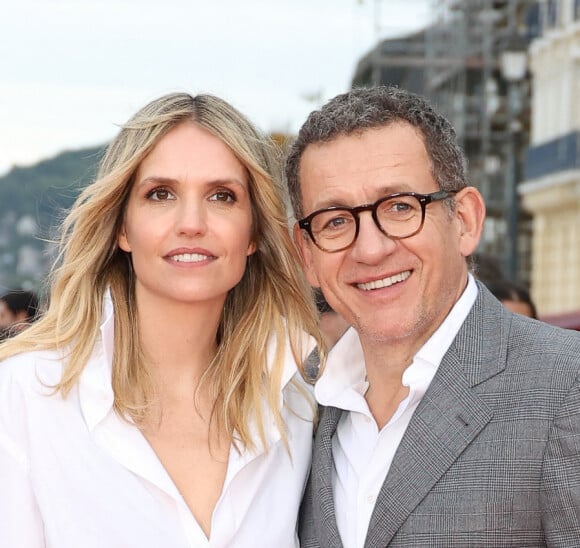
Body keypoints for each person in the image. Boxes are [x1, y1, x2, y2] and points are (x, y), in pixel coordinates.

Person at [0, 92, 323, 548]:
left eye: (222, 196)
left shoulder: (292, 408)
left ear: (253, 232)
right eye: (161, 194)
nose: (191, 222)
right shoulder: (24, 397)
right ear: (123, 228)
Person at [284, 85, 580, 547]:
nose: (371, 248)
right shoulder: (296, 405)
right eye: (336, 220)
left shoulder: (566, 386)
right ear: (306, 254)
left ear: (464, 219)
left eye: (400, 207)